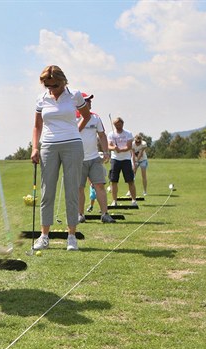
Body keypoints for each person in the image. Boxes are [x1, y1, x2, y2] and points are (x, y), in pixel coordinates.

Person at [31, 65, 91, 251]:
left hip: (72, 145)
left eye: (55, 85)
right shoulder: (41, 99)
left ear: (63, 81)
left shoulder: (74, 95)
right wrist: (35, 147)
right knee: (47, 190)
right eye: (48, 86)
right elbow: (37, 126)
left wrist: (75, 132)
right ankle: (44, 236)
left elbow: (86, 116)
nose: (52, 89)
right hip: (48, 146)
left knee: (71, 189)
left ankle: (71, 236)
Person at [76, 93, 115, 223]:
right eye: (87, 101)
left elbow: (102, 135)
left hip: (94, 158)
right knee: (79, 188)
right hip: (78, 160)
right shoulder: (72, 117)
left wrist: (106, 151)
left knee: (100, 186)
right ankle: (80, 214)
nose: (90, 103)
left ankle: (105, 214)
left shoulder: (95, 118)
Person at [107, 117, 137, 205]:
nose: (118, 126)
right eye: (116, 125)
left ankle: (133, 200)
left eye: (119, 124)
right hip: (115, 160)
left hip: (126, 159)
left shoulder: (128, 133)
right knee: (113, 181)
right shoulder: (111, 134)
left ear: (122, 124)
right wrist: (114, 148)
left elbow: (129, 146)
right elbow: (109, 146)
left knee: (130, 180)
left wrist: (120, 149)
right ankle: (114, 201)